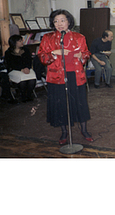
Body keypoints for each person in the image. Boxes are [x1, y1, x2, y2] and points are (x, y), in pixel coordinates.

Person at [37, 9, 93, 145]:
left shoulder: (80, 37)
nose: (59, 24)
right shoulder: (47, 38)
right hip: (57, 77)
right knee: (61, 105)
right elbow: (42, 57)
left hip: (75, 75)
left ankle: (84, 130)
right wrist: (54, 53)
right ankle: (64, 132)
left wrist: (82, 56)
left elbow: (86, 53)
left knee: (80, 103)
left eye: (62, 20)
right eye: (56, 21)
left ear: (69, 22)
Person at [4, 35, 36, 102]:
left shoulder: (26, 50)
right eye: (20, 41)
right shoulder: (8, 53)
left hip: (26, 69)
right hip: (15, 70)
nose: (22, 42)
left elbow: (29, 61)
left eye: (22, 40)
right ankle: (23, 96)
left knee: (32, 77)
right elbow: (10, 64)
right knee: (22, 79)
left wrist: (27, 68)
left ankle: (29, 95)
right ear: (14, 42)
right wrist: (21, 69)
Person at [0, 39, 18, 104]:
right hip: (0, 74)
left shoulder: (0, 56)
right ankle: (8, 97)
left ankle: (6, 95)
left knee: (5, 76)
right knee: (4, 77)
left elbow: (5, 67)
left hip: (3, 74)